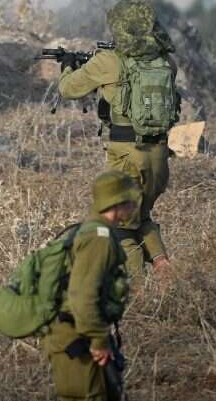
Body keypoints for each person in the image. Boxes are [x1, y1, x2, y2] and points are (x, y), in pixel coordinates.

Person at [57, 0, 179, 278]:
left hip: (126, 154)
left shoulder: (108, 61)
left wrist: (68, 66)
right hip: (158, 154)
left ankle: (136, 292)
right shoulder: (166, 62)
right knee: (141, 216)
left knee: (120, 223)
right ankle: (164, 267)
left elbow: (68, 88)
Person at [41, 169, 136, 401]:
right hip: (76, 336)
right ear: (118, 202)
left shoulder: (97, 230)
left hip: (78, 331)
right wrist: (98, 340)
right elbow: (82, 296)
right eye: (131, 200)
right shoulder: (98, 238)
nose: (135, 205)